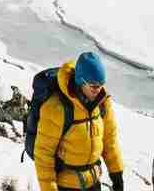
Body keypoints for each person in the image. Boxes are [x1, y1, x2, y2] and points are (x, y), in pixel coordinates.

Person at [33, 51, 123, 191]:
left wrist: (117, 174)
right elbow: (43, 155)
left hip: (93, 182)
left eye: (101, 84)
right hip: (66, 185)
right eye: (94, 86)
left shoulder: (102, 103)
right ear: (81, 81)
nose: (98, 90)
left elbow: (109, 140)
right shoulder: (56, 108)